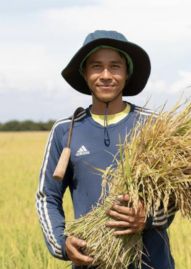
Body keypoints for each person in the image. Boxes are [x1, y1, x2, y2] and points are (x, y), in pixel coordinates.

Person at [35, 30, 177, 269]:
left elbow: (177, 194)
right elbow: (47, 196)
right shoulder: (65, 131)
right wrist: (62, 242)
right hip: (92, 261)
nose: (106, 75)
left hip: (152, 262)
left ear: (127, 72)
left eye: (115, 66)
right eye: (96, 66)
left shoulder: (154, 125)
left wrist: (147, 218)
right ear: (84, 72)